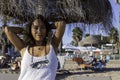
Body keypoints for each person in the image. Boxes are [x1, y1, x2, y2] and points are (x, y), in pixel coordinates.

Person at [4, 15, 66, 80]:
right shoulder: (24, 48)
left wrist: (48, 27)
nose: (39, 31)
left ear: (46, 30)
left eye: (42, 28)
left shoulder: (53, 46)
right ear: (30, 30)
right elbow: (8, 30)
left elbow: (61, 24)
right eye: (35, 28)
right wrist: (26, 30)